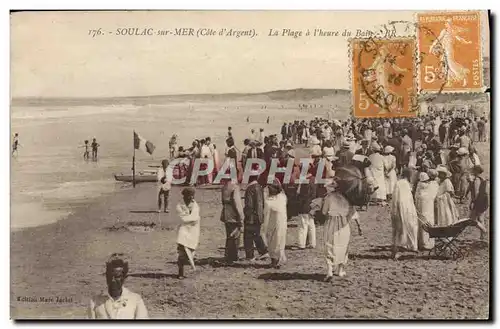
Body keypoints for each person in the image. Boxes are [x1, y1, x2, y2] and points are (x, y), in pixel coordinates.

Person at [89, 253, 148, 319]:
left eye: (117, 277)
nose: (113, 280)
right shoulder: (95, 301)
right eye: (110, 276)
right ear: (106, 276)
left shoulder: (136, 300)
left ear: (124, 278)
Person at [321, 180, 356, 280]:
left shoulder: (328, 197)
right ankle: (341, 270)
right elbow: (352, 212)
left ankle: (329, 271)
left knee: (329, 245)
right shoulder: (347, 198)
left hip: (331, 222)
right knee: (343, 246)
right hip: (344, 224)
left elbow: (324, 212)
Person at [391, 168, 419, 260]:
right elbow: (397, 198)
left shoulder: (404, 184)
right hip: (403, 208)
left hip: (405, 208)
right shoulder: (401, 184)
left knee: (406, 227)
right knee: (404, 227)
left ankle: (408, 246)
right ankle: (402, 248)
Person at [176, 187, 201, 279]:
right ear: (184, 196)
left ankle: (190, 265)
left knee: (191, 250)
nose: (191, 198)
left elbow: (195, 217)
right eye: (189, 196)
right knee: (181, 252)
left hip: (193, 231)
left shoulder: (195, 205)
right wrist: (191, 219)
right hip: (183, 230)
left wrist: (191, 219)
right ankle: (180, 272)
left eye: (192, 196)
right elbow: (183, 218)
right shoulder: (179, 206)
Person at [263, 179, 288, 268]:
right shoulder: (283, 198)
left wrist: (264, 228)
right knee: (279, 242)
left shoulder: (268, 202)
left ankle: (275, 260)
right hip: (281, 223)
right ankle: (278, 259)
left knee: (273, 243)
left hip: (273, 224)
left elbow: (266, 216)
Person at [243, 175, 268, 261]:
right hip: (259, 215)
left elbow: (249, 205)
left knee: (248, 236)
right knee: (256, 234)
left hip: (251, 216)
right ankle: (263, 251)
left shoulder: (250, 189)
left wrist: (246, 214)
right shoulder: (259, 187)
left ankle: (250, 256)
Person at [220, 177, 244, 264]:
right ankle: (233, 256)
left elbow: (222, 201)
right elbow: (237, 203)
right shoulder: (235, 187)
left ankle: (228, 255)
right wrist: (241, 217)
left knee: (229, 235)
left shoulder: (224, 187)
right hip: (233, 214)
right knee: (235, 236)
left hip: (226, 213)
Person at [414, 172, 438, 250]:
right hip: (428, 209)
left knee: (421, 225)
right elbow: (434, 195)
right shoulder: (430, 186)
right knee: (428, 223)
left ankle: (421, 243)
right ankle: (427, 243)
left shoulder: (418, 187)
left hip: (420, 209)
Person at [466, 165, 489, 241]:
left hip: (478, 201)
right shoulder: (483, 179)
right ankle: (482, 236)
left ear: (476, 171)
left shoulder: (476, 180)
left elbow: (476, 192)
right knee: (481, 218)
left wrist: (473, 202)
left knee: (472, 219)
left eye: (473, 170)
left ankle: (484, 231)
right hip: (484, 200)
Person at [296, 173, 317, 250]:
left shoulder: (304, 182)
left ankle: (301, 244)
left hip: (304, 206)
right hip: (311, 205)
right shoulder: (314, 179)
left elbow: (300, 194)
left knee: (302, 226)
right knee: (311, 225)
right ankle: (312, 243)